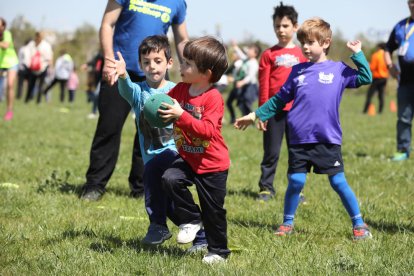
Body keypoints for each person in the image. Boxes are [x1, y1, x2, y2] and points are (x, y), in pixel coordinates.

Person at [234, 18, 373, 241]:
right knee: (296, 181)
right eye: (303, 43)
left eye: (310, 42)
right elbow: (278, 100)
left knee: (338, 182)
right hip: (299, 138)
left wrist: (357, 54)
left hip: (327, 139)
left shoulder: (338, 70)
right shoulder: (297, 71)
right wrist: (254, 116)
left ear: (326, 42)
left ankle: (359, 223)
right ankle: (287, 223)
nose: (305, 47)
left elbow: (366, 77)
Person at [80, 0, 189, 201]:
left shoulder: (177, 3)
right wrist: (108, 59)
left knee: (152, 130)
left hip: (155, 76)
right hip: (120, 72)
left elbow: (182, 39)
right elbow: (107, 24)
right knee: (108, 128)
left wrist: (188, 66)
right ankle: (95, 185)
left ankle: (141, 186)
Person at [109, 35, 206, 248]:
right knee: (168, 203)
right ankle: (200, 236)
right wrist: (124, 75)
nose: (152, 66)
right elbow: (126, 90)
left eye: (158, 61)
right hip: (150, 155)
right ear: (141, 65)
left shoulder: (177, 91)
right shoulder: (139, 92)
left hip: (174, 154)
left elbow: (191, 116)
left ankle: (157, 225)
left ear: (169, 63)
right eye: (146, 62)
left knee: (155, 181)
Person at [159, 36, 230, 264]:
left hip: (213, 165)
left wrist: (182, 115)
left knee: (214, 212)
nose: (182, 66)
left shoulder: (213, 98)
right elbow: (162, 106)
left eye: (188, 63)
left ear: (206, 73)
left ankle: (219, 251)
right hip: (189, 159)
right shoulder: (180, 90)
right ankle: (191, 219)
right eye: (184, 60)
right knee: (170, 179)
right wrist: (150, 109)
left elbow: (207, 131)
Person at [256, 2, 307, 202]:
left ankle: (297, 189)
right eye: (277, 26)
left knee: (297, 153)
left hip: (298, 111)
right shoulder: (268, 55)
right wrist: (262, 112)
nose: (281, 30)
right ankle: (266, 188)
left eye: (285, 26)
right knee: (271, 152)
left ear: (295, 27)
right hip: (274, 111)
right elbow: (264, 85)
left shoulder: (304, 54)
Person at [384, 0, 414, 161]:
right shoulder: (401, 26)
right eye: (411, 2)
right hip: (405, 81)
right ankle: (403, 149)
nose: (413, 4)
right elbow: (388, 48)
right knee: (403, 118)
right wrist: (390, 65)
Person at [233, 41, 261, 116]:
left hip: (251, 86)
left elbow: (250, 76)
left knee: (247, 102)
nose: (248, 51)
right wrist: (236, 47)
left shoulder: (254, 63)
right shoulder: (247, 59)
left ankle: (252, 117)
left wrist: (242, 82)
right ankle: (246, 117)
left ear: (255, 54)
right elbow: (241, 55)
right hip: (245, 85)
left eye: (250, 50)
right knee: (241, 102)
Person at [25, 31, 53, 104]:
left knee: (41, 85)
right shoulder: (31, 44)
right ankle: (27, 99)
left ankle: (38, 100)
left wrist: (49, 65)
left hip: (43, 67)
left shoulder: (46, 45)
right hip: (32, 68)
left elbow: (49, 56)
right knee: (31, 84)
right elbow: (27, 54)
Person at [0, 18, 19, 121]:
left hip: (11, 62)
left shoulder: (7, 33)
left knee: (10, 85)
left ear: (3, 26)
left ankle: (9, 111)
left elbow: (5, 46)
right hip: (0, 63)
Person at [362, 42, 389, 114]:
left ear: (379, 47)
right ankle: (380, 111)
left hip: (377, 77)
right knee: (381, 95)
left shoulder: (376, 55)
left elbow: (372, 67)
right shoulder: (387, 56)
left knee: (369, 95)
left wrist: (368, 64)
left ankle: (365, 111)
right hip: (384, 78)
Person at [225, 48, 246, 124]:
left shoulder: (242, 63)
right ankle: (233, 119)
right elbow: (226, 72)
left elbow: (243, 75)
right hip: (235, 87)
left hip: (240, 86)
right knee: (229, 102)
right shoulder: (234, 63)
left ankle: (247, 120)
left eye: (235, 53)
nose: (233, 55)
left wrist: (234, 79)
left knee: (240, 104)